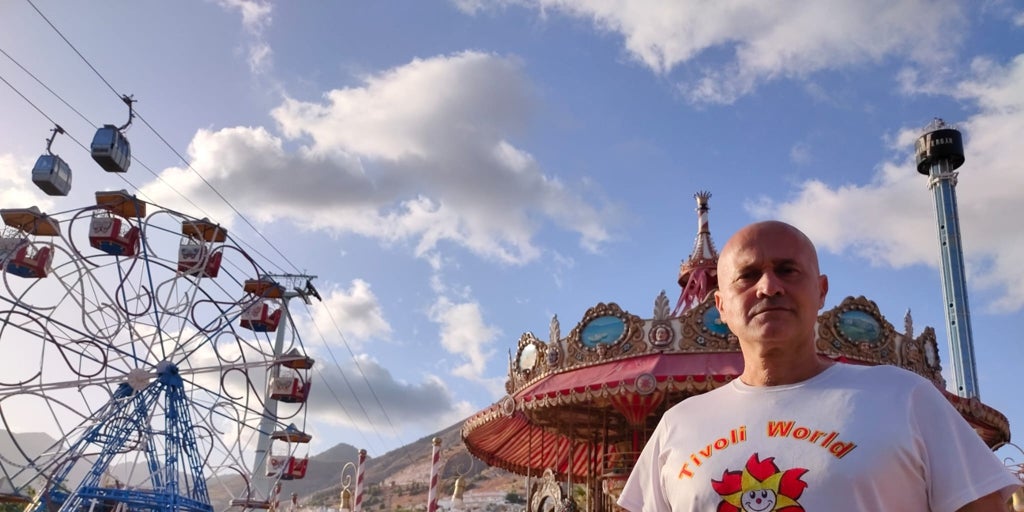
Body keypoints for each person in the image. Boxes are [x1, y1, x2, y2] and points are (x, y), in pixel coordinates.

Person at [617, 220, 1020, 512]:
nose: (769, 286)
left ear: (821, 290)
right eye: (748, 276)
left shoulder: (905, 398)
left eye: (787, 270)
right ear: (720, 306)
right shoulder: (678, 425)